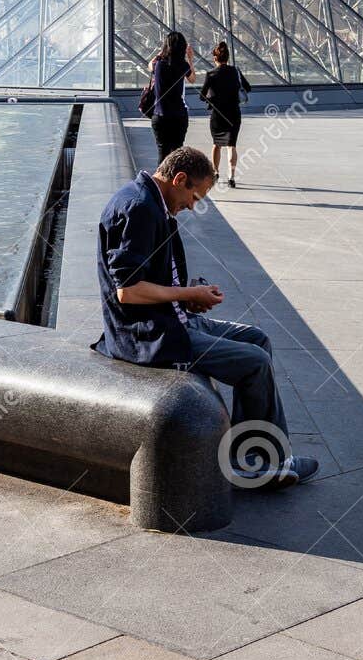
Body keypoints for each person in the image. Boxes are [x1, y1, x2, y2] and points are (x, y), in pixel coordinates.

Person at [95, 145, 318, 488]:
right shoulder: (139, 208)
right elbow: (128, 291)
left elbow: (150, 279)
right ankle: (264, 465)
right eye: (194, 197)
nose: (192, 206)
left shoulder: (151, 200)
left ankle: (250, 453)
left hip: (171, 317)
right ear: (179, 179)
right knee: (255, 361)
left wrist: (190, 296)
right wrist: (186, 295)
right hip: (146, 335)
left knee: (257, 338)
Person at [200, 41, 251, 188]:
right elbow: (247, 87)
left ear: (215, 58)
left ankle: (215, 172)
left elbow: (202, 95)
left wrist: (212, 96)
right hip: (234, 113)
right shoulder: (235, 71)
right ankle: (231, 177)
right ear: (227, 57)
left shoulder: (211, 74)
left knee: (216, 145)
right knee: (231, 145)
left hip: (217, 115)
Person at [147, 30, 195, 163]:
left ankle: (160, 182)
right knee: (177, 153)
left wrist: (162, 51)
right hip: (179, 115)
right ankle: (175, 182)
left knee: (162, 153)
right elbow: (192, 79)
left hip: (160, 115)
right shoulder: (183, 65)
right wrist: (190, 59)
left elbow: (149, 64)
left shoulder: (158, 64)